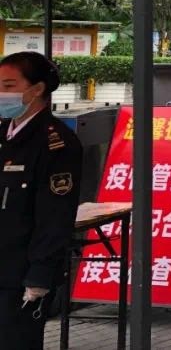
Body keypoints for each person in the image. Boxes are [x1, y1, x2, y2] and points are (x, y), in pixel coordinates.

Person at [0, 51, 83, 350]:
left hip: (20, 275)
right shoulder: (4, 134)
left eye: (9, 86)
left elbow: (55, 216)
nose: (1, 94)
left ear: (37, 89)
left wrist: (40, 275)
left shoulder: (56, 144)